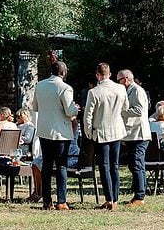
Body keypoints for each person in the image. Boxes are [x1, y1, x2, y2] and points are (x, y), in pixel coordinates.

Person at [32, 59, 80, 210]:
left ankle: (47, 201)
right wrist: (76, 108)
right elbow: (69, 111)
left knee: (46, 165)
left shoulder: (40, 85)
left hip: (44, 130)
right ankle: (61, 201)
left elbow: (35, 106)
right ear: (64, 73)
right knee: (61, 166)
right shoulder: (65, 88)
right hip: (60, 132)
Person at [83, 62, 129, 211]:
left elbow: (87, 115)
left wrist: (88, 132)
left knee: (104, 166)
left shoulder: (94, 92)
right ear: (109, 74)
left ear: (98, 75)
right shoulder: (120, 89)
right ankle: (115, 198)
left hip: (101, 132)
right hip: (116, 130)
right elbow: (126, 107)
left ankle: (109, 198)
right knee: (114, 165)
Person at [116, 68, 151, 206]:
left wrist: (121, 111)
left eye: (118, 80)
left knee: (137, 164)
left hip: (139, 134)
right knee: (133, 165)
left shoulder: (136, 90)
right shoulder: (129, 91)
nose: (117, 83)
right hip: (132, 134)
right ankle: (137, 194)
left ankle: (140, 196)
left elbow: (139, 110)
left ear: (125, 79)